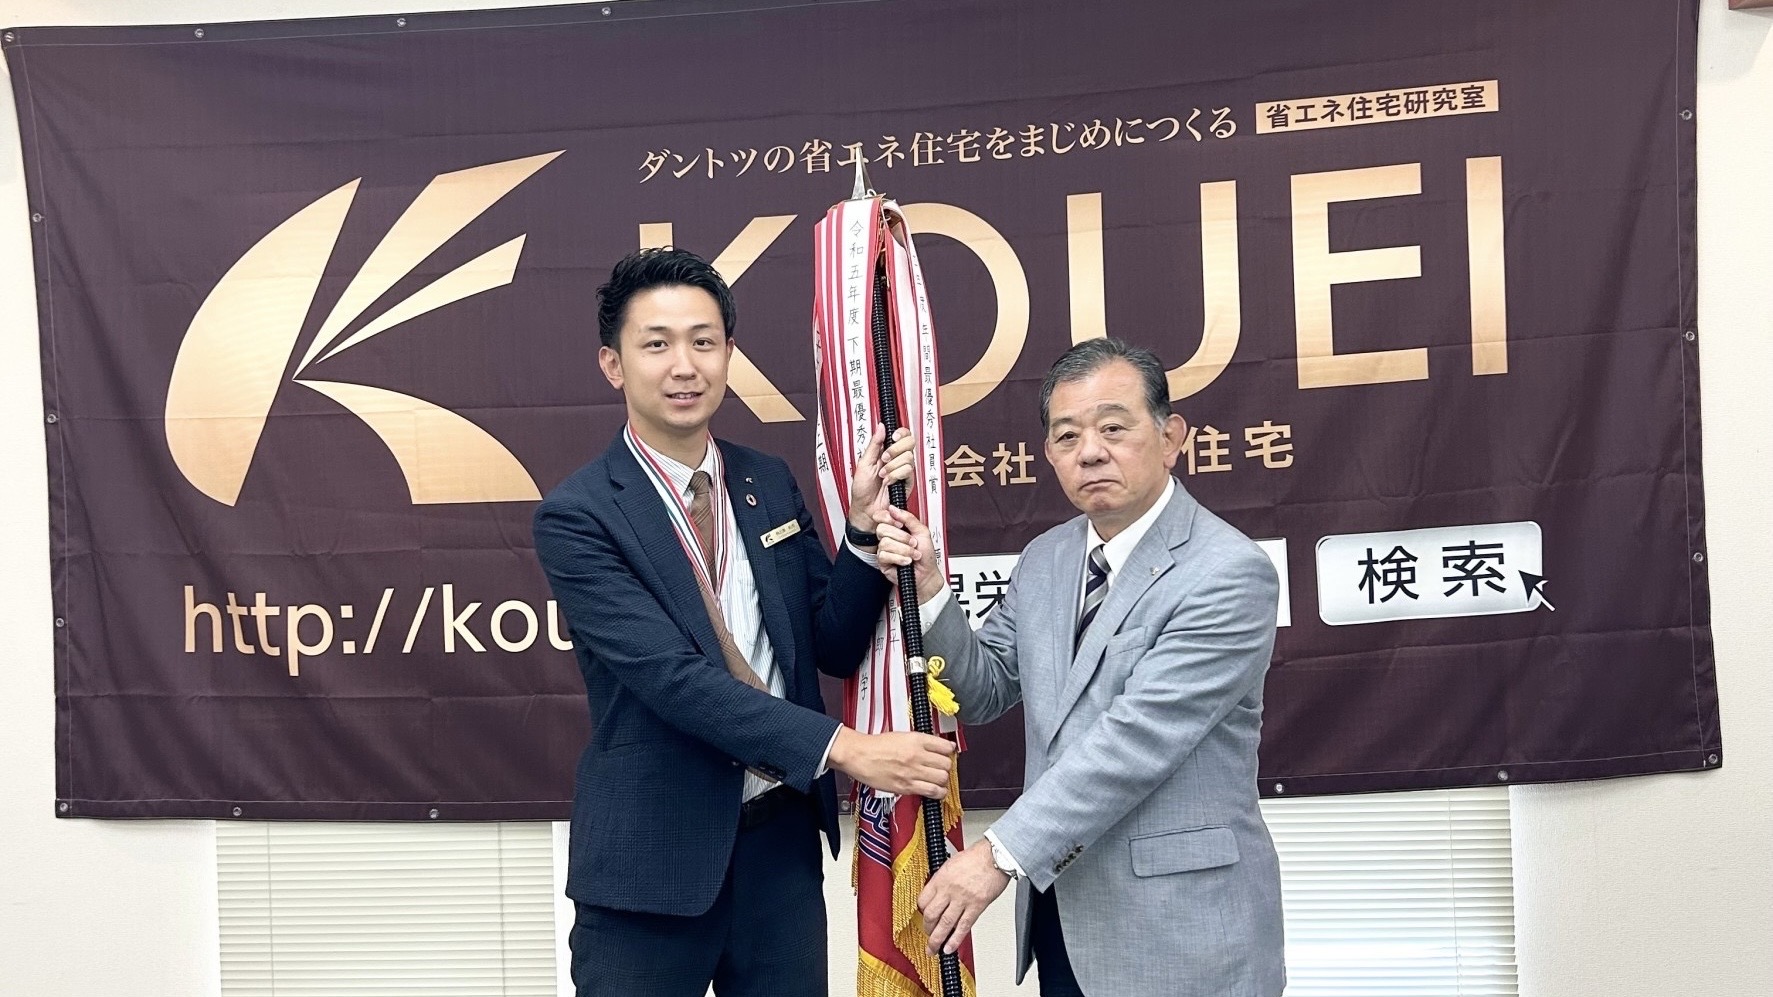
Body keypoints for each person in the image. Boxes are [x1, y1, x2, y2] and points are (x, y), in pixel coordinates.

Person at [533, 247, 957, 997]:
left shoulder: (765, 479)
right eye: (656, 344)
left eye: (703, 341)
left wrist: (862, 534)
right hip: (651, 866)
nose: (684, 365)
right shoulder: (578, 515)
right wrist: (847, 749)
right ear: (612, 364)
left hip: (778, 853)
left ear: (728, 353)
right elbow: (673, 680)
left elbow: (830, 643)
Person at [876, 337, 1285, 997]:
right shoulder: (1046, 559)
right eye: (1067, 436)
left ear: (1170, 437)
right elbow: (982, 689)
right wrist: (927, 588)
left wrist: (998, 855)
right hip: (1064, 920)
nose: (1090, 451)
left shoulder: (1226, 571)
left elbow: (1136, 740)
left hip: (1182, 933)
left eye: (1113, 428)